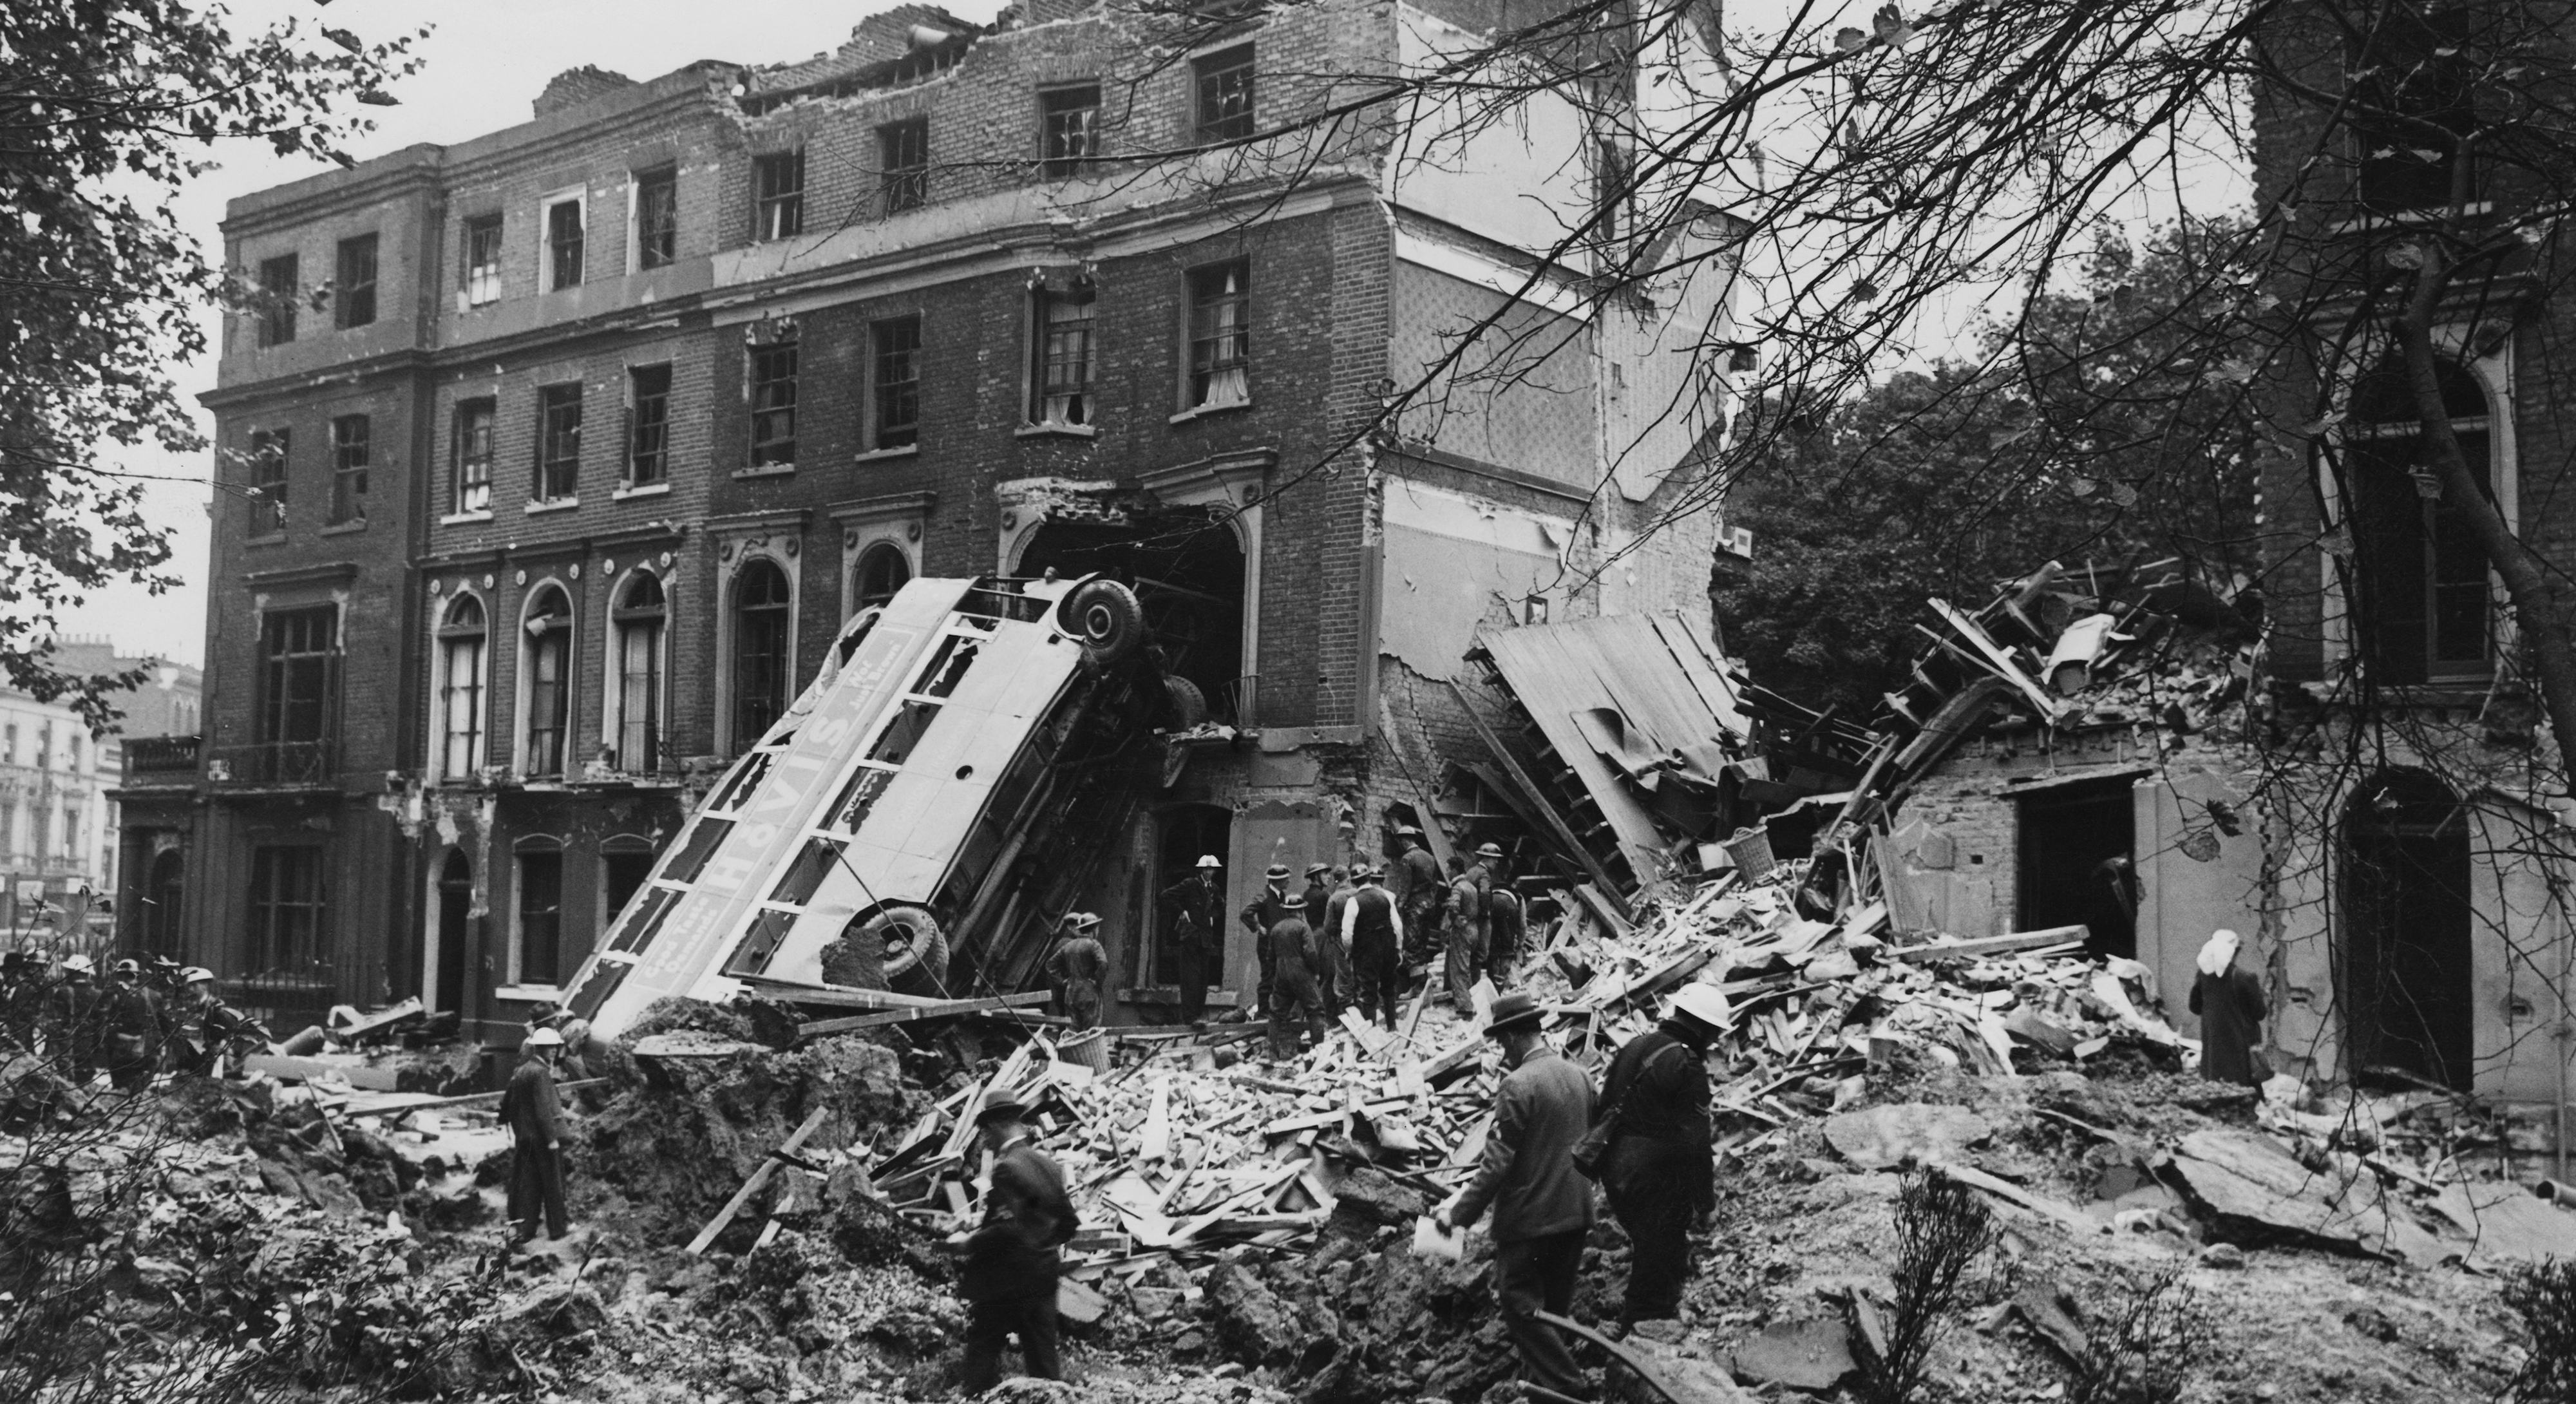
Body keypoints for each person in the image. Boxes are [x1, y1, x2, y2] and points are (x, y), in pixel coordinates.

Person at [1441, 991, 1596, 1399]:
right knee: (1554, 1314)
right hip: (1577, 1214)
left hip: (1531, 1223)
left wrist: (1456, 1217)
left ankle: (1571, 1390)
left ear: (1510, 1039)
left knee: (1520, 1305)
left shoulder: (1517, 1085)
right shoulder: (1580, 1075)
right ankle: (1544, 1393)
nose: (1501, 1053)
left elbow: (1496, 1165)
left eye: (1500, 1044)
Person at [1598, 984, 1724, 1332]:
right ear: (1703, 1028)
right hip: (1653, 1176)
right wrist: (1705, 1202)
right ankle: (1644, 1332)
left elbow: (1603, 1105)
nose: (1713, 1043)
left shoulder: (1634, 1047)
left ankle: (1641, 1321)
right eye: (1713, 1034)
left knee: (1648, 1244)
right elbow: (1695, 1143)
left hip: (1615, 1170)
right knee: (1660, 1253)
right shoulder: (1686, 1063)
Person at [959, 1093, 1076, 1392]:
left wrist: (967, 1243)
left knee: (982, 1350)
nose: (986, 1139)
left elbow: (1008, 1228)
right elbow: (1069, 1223)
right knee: (1044, 1365)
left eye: (986, 1130)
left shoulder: (1007, 1167)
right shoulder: (1049, 1166)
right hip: (1045, 1275)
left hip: (1008, 1280)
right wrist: (1043, 1249)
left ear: (998, 1125)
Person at [501, 1026, 572, 1246]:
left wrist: (518, 1130)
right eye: (549, 1047)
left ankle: (525, 1229)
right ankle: (558, 1228)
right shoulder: (541, 1073)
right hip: (542, 1139)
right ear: (540, 1049)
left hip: (526, 1137)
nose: (553, 1051)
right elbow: (543, 1109)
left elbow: (510, 1105)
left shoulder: (522, 1071)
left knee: (528, 1184)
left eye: (554, 1047)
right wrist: (552, 1138)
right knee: (553, 1183)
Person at [2191, 928, 2267, 1086]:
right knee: (2243, 1091)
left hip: (2212, 1052)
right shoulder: (2245, 978)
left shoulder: (2203, 977)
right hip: (2241, 1048)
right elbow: (2260, 1013)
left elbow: (2195, 1007)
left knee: (2216, 1090)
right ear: (2235, 951)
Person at [1341, 866, 1406, 1030]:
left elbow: (1347, 934)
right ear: (1369, 878)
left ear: (1354, 882)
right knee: (1389, 987)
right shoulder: (1386, 896)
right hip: (1388, 946)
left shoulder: (1353, 901)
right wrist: (1398, 949)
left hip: (1367, 950)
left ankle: (1372, 1032)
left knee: (1368, 991)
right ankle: (1392, 1027)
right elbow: (1397, 926)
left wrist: (1350, 952)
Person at [1162, 856, 1224, 1025]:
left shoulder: (1214, 889)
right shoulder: (1190, 884)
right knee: (1190, 978)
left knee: (1203, 978)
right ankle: (1189, 1017)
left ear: (1214, 871)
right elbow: (1167, 895)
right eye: (1205, 869)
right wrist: (1182, 911)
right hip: (1190, 937)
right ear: (1201, 870)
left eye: (1211, 869)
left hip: (1205, 939)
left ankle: (1198, 1014)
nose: (1208, 872)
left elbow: (1220, 905)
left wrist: (1213, 916)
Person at [1263, 909, 1329, 1060]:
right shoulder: (1303, 927)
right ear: (1300, 911)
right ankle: (1319, 1053)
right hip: (1301, 971)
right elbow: (1310, 952)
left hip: (1281, 970)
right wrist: (1315, 971)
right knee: (1316, 1010)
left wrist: (1276, 972)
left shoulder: (1277, 928)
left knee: (1276, 1013)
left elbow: (1270, 955)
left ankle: (1271, 1051)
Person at [1444, 842, 1501, 1009]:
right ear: (1488, 859)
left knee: (1459, 961)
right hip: (1475, 923)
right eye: (1495, 860)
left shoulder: (1471, 873)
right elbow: (1484, 893)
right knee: (1477, 958)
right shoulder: (1484, 874)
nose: (1497, 863)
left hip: (1464, 921)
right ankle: (1471, 998)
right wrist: (1485, 912)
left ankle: (1457, 995)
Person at [1239, 862, 1300, 1017]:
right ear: (1277, 881)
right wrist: (1259, 928)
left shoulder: (1281, 896)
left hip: (1279, 945)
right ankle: (1264, 1012)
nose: (1289, 881)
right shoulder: (1264, 896)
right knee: (1268, 978)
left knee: (1279, 977)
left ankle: (1277, 1010)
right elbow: (1246, 913)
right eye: (1286, 879)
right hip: (1267, 946)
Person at [99, 958, 165, 1093]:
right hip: (147, 1051)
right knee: (141, 1093)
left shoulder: (113, 994)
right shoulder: (154, 996)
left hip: (120, 1053)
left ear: (120, 975)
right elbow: (163, 1024)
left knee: (121, 1092)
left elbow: (105, 1024)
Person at [42, 954, 102, 1085]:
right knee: (84, 1084)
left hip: (67, 1046)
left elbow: (56, 1022)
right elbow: (101, 1023)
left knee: (65, 1083)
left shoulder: (63, 992)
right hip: (89, 1045)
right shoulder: (98, 994)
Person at [1047, 912, 1110, 1032]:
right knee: (1091, 1031)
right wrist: (1097, 981)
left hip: (1071, 992)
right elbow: (1103, 964)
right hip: (1089, 991)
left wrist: (1063, 982)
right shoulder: (1094, 945)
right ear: (1094, 929)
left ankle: (1070, 1051)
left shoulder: (1069, 945)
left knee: (1072, 1030)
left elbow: (1050, 965)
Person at [1300, 863, 1345, 1018]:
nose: (1328, 877)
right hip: (1324, 937)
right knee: (1330, 975)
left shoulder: (1306, 894)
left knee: (1316, 977)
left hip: (1313, 936)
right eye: (1325, 874)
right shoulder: (1323, 896)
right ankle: (1328, 1016)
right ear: (1316, 876)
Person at [1394, 826, 1444, 967]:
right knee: (1423, 944)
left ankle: (1416, 985)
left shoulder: (1408, 858)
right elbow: (1435, 885)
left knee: (1412, 947)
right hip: (1429, 905)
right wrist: (1431, 901)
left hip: (1414, 907)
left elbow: (1405, 888)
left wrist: (1398, 908)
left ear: (1404, 841)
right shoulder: (1430, 857)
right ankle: (1421, 982)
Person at [1488, 880, 1526, 989]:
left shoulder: (1492, 891)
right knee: (1507, 950)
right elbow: (1522, 924)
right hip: (1509, 908)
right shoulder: (1519, 897)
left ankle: (1494, 985)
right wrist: (1520, 943)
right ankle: (1501, 981)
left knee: (1493, 950)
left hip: (1491, 904)